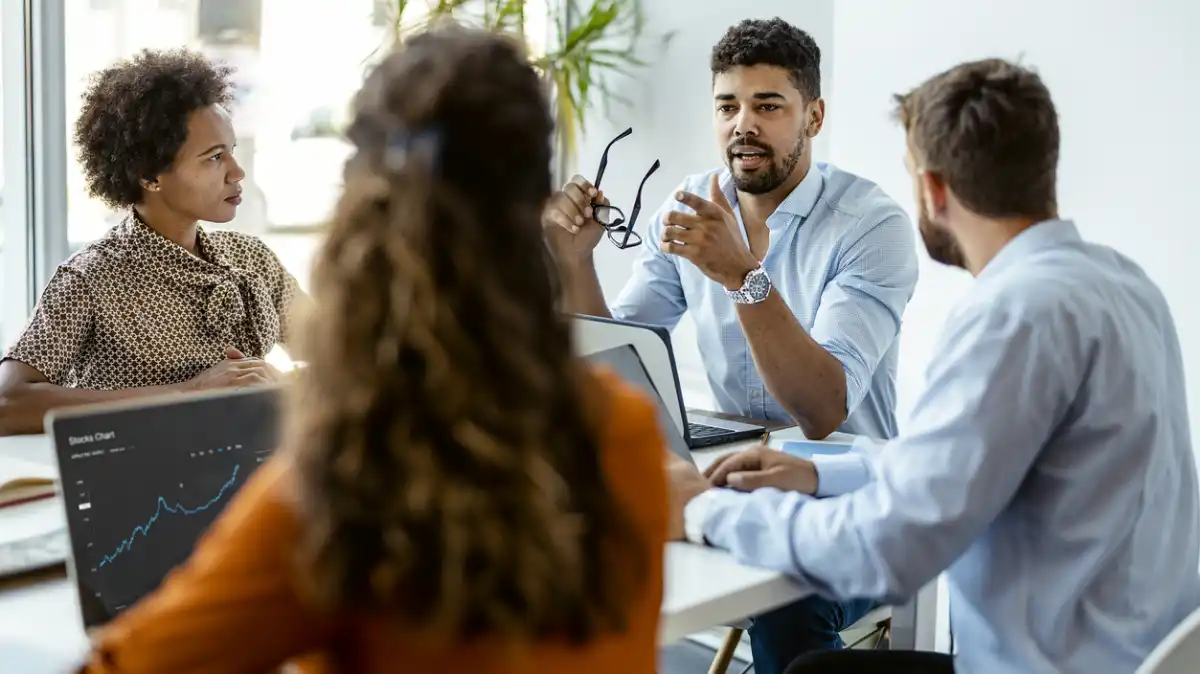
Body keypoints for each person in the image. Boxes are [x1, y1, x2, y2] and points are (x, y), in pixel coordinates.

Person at [74, 26, 669, 674]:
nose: (234, 172)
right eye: (214, 157)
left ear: (364, 208)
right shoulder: (628, 432)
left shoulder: (343, 494)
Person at [669, 57, 1200, 674]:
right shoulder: (1122, 283)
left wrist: (702, 510)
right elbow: (960, 463)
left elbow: (887, 549)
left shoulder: (1016, 314)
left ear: (934, 189)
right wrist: (818, 475)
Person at [544, 17, 918, 673]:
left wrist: (742, 278)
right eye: (728, 106)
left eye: (768, 106)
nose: (743, 124)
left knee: (787, 606)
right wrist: (576, 264)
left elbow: (823, 410)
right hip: (732, 477)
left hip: (850, 496)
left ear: (815, 116)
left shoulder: (871, 226)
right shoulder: (688, 206)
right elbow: (621, 362)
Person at [0, 49, 299, 437]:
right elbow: (8, 402)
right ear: (149, 175)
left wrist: (283, 386)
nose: (236, 172)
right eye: (213, 157)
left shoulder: (252, 259)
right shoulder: (91, 278)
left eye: (232, 151)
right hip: (139, 486)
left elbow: (346, 358)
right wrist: (187, 393)